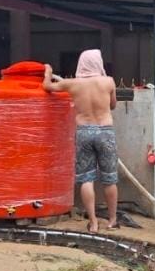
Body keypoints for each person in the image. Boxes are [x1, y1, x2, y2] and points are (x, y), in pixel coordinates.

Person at [42, 49, 119, 233]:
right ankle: (112, 220)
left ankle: (93, 222)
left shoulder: (72, 84)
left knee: (86, 178)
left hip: (84, 131)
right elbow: (113, 105)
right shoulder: (108, 81)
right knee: (109, 179)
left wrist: (48, 71)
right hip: (105, 131)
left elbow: (47, 87)